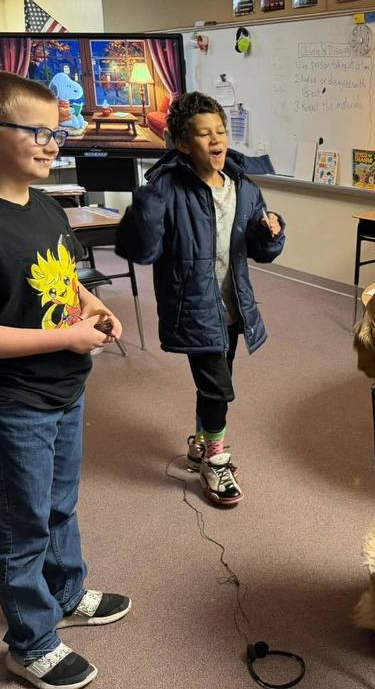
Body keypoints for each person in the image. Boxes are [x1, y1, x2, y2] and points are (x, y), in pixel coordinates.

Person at [0, 70, 131, 689]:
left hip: (63, 387)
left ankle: (66, 593)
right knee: (21, 526)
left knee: (58, 505)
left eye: (59, 131)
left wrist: (91, 306)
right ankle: (31, 641)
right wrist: (66, 337)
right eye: (39, 131)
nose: (54, 143)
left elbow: (60, 277)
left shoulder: (47, 205)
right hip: (12, 401)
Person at [116, 92, 285, 507]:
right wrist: (147, 206)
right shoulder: (166, 190)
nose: (216, 141)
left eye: (221, 132)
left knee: (215, 380)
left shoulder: (242, 186)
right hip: (192, 304)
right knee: (218, 388)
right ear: (181, 144)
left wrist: (272, 233)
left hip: (232, 304)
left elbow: (262, 250)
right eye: (203, 134)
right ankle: (216, 458)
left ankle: (200, 441)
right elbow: (142, 251)